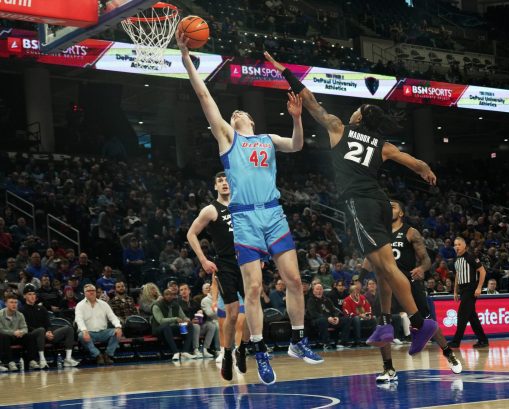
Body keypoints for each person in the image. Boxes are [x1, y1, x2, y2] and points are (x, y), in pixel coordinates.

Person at [265, 51, 438, 355]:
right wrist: (424, 169)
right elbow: (412, 161)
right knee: (381, 268)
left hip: (360, 203)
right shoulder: (383, 146)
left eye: (357, 109)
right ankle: (384, 323)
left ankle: (419, 323)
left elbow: (311, 100)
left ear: (358, 118)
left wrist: (285, 72)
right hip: (380, 202)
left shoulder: (338, 128)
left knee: (385, 265)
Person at [178, 36, 322, 385]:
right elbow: (205, 98)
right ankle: (259, 351)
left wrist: (297, 119)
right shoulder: (229, 139)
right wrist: (186, 59)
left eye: (241, 112)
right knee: (254, 289)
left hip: (273, 213)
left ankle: (298, 340)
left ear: (252, 121)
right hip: (244, 217)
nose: (236, 113)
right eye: (233, 113)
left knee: (295, 282)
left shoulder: (268, 139)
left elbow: (298, 145)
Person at [364, 200, 462, 382]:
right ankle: (388, 369)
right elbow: (370, 260)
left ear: (401, 213)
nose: (388, 208)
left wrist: (422, 269)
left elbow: (425, 259)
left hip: (408, 281)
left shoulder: (410, 232)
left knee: (425, 321)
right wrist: (359, 276)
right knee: (383, 325)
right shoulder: (379, 233)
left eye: (393, 206)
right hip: (386, 284)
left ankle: (448, 353)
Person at [186, 172, 250, 380]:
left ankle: (243, 348)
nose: (224, 184)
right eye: (220, 181)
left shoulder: (242, 204)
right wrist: (203, 260)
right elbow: (191, 233)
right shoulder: (211, 209)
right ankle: (228, 354)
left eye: (227, 180)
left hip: (247, 261)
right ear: (215, 186)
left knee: (252, 310)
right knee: (232, 314)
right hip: (226, 264)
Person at [20, 284, 78, 368]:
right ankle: (42, 360)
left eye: (34, 294)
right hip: (32, 335)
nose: (32, 296)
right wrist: (44, 332)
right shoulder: (21, 310)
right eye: (29, 294)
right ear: (24, 296)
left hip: (46, 334)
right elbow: (25, 326)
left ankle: (68, 359)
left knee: (68, 329)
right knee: (40, 330)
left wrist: (49, 331)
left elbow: (48, 323)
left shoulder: (42, 308)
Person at [447, 237, 489, 349]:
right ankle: (483, 340)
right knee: (471, 316)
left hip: (471, 290)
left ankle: (456, 341)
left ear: (464, 246)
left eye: (459, 244)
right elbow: (457, 276)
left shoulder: (470, 257)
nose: (457, 247)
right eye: (455, 245)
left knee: (462, 315)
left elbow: (482, 271)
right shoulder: (456, 260)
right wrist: (455, 291)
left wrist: (479, 287)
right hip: (463, 290)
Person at [74, 284, 122, 365]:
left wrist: (118, 326)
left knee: (117, 332)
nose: (91, 292)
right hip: (89, 333)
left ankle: (108, 355)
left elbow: (112, 317)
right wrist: (84, 330)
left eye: (93, 291)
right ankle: (97, 355)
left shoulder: (104, 304)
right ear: (84, 293)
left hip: (103, 332)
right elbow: (79, 320)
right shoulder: (80, 305)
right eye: (89, 291)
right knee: (81, 335)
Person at [151, 288, 195, 361]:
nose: (169, 296)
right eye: (167, 294)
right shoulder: (157, 306)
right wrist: (175, 319)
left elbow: (183, 317)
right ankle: (175, 352)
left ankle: (185, 351)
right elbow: (161, 321)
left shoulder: (176, 305)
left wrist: (188, 320)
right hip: (158, 329)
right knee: (166, 326)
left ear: (174, 296)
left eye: (171, 295)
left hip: (172, 328)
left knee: (190, 325)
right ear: (163, 296)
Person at [0, 293, 28, 371]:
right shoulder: (0, 314)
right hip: (5, 338)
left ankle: (31, 361)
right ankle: (10, 362)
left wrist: (21, 332)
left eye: (15, 302)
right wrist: (13, 332)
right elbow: (1, 329)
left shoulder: (20, 315)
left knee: (29, 336)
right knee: (3, 336)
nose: (14, 304)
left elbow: (25, 328)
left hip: (16, 337)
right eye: (11, 302)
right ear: (5, 303)